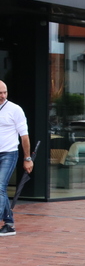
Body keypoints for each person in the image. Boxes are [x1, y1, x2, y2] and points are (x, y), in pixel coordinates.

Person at [0, 80, 32, 237]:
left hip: (9, 153)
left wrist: (27, 158)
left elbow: (24, 136)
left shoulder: (15, 110)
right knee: (1, 189)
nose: (3, 95)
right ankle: (9, 224)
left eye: (5, 92)